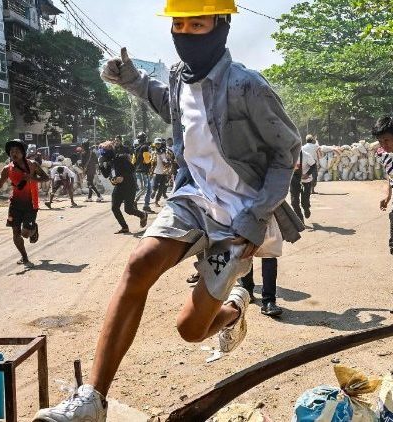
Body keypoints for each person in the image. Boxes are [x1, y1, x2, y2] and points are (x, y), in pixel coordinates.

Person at [34, 1, 303, 420]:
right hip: (193, 198)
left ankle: (235, 308)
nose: (187, 32)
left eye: (198, 24)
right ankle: (93, 400)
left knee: (190, 330)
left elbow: (287, 154)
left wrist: (255, 219)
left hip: (239, 215)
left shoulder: (248, 86)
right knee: (139, 263)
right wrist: (133, 80)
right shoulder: (179, 77)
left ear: (221, 26)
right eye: (180, 24)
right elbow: (170, 104)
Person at [0, 140, 49, 268]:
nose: (14, 153)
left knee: (25, 233)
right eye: (12, 151)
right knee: (16, 232)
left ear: (23, 152)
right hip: (15, 204)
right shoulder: (7, 169)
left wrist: (32, 178)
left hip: (31, 203)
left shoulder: (33, 165)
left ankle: (33, 228)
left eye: (17, 151)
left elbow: (46, 178)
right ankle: (24, 257)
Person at [99, 140, 148, 234]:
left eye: (104, 154)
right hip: (119, 186)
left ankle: (143, 215)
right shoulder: (110, 162)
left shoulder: (120, 159)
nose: (103, 157)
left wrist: (123, 177)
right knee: (114, 208)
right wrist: (101, 165)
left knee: (128, 210)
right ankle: (124, 227)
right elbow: (105, 175)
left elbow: (132, 169)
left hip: (129, 185)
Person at [372, 116, 393, 255]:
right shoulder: (384, 155)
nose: (383, 145)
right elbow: (391, 178)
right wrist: (387, 197)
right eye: (380, 141)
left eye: (386, 140)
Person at [290, 149, 316, 223]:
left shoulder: (306, 155)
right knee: (294, 202)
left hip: (306, 181)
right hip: (294, 180)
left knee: (304, 201)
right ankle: (300, 219)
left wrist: (307, 174)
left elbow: (314, 165)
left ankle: (306, 208)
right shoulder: (287, 155)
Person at [134, 132, 154, 213]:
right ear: (145, 138)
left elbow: (133, 161)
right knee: (144, 188)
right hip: (143, 171)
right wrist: (151, 158)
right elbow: (146, 160)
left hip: (139, 170)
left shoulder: (136, 148)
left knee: (149, 189)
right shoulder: (146, 147)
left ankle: (146, 206)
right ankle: (133, 201)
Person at [150, 138, 169, 206]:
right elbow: (151, 162)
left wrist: (167, 162)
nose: (158, 145)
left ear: (161, 144)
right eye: (156, 144)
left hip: (164, 172)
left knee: (161, 188)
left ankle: (156, 201)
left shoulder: (165, 151)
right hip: (156, 172)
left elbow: (168, 159)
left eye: (159, 143)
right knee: (155, 187)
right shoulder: (153, 152)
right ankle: (154, 192)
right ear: (154, 144)